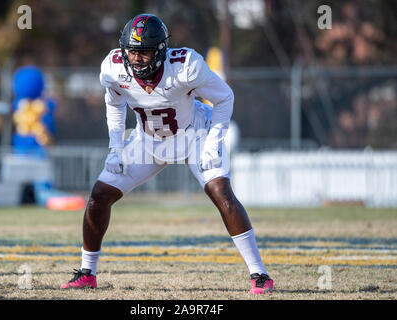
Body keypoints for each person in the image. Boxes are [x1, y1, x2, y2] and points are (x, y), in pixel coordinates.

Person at [60, 13, 273, 294]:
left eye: (144, 52)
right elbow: (114, 104)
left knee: (221, 192)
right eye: (132, 53)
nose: (136, 60)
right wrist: (115, 148)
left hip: (195, 134)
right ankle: (87, 273)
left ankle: (260, 275)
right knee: (99, 196)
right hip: (147, 141)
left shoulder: (185, 66)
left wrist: (212, 143)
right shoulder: (113, 68)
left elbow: (225, 98)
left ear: (161, 51)